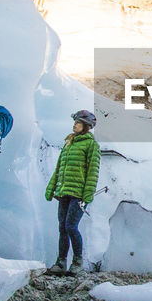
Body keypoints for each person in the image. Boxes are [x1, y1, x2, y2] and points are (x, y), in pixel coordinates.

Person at [44, 109, 101, 273]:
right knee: (62, 227)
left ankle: (77, 262)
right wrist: (52, 188)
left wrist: (87, 195)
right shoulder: (69, 143)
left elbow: (92, 172)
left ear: (86, 126)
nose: (74, 125)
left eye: (78, 122)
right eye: (75, 122)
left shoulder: (91, 145)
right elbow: (59, 168)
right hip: (64, 192)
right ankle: (61, 263)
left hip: (78, 194)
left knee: (71, 226)